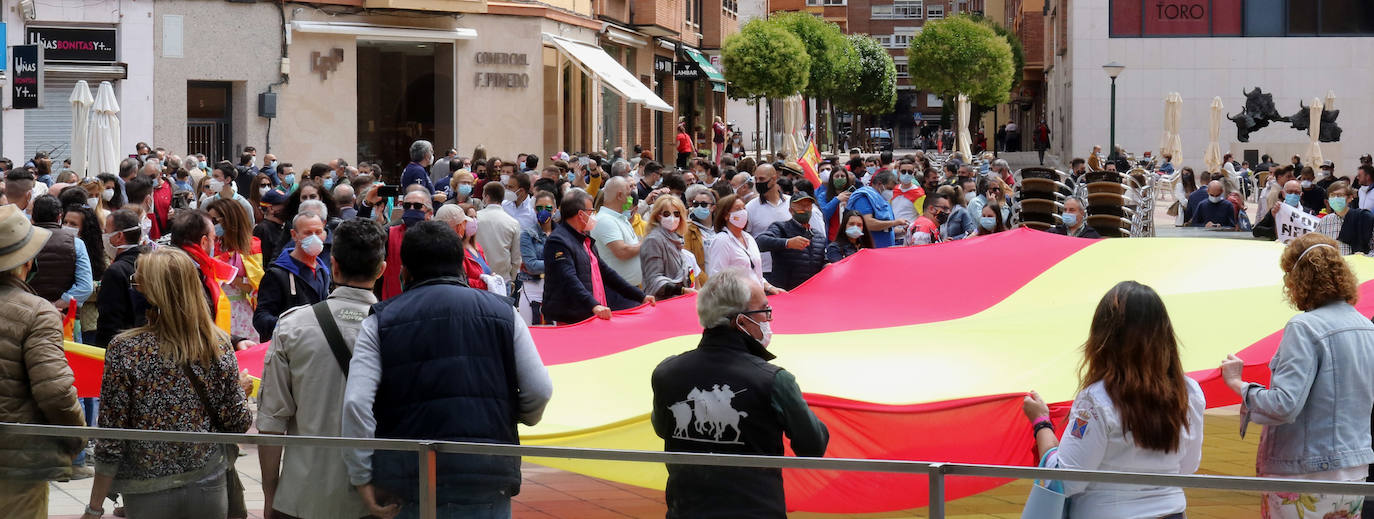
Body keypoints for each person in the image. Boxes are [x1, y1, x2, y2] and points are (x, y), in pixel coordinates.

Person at [341, 220, 553, 518]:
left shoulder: (380, 320)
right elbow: (540, 390)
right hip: (487, 473)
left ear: (405, 271)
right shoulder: (506, 313)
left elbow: (356, 404)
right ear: (462, 266)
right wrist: (511, 414)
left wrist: (362, 476)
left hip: (408, 478)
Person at [84, 247, 254, 519]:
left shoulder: (126, 349)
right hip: (209, 481)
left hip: (146, 488)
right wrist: (241, 391)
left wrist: (94, 506)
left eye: (136, 282)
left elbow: (112, 437)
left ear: (149, 292)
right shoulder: (217, 343)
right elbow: (237, 422)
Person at [650, 267, 829, 518]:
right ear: (742, 321)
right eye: (765, 311)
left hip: (686, 510)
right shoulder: (775, 380)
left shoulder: (666, 373)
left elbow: (661, 428)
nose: (768, 319)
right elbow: (813, 446)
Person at [1219, 233, 1374, 518]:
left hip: (1304, 470)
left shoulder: (1304, 327)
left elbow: (1283, 405)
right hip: (1354, 465)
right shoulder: (1366, 327)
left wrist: (1238, 384)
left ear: (1297, 278)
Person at [1021, 280, 1204, 519]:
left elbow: (1065, 480)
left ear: (1104, 338)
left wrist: (1041, 424)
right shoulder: (1189, 392)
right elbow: (1188, 466)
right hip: (1171, 513)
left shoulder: (1096, 400)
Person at [257, 219, 386, 519]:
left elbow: (272, 421)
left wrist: (270, 494)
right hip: (375, 497)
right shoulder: (396, 329)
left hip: (302, 495)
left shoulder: (292, 326)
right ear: (381, 270)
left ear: (334, 266)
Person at [0, 203, 88, 516]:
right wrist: (77, 437)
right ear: (25, 262)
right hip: (15, 462)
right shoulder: (37, 312)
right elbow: (55, 391)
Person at [543, 189, 653, 323]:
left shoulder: (585, 239)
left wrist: (640, 296)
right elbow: (568, 278)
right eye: (591, 211)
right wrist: (593, 305)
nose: (594, 216)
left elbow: (607, 273)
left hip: (590, 313)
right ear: (581, 215)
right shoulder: (558, 241)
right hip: (570, 317)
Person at [254, 212, 330, 340]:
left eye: (318, 232)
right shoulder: (277, 274)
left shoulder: (323, 270)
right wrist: (292, 326)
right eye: (308, 233)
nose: (314, 238)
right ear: (294, 235)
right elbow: (261, 318)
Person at [207, 198, 264, 342]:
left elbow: (257, 284)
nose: (211, 224)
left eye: (214, 220)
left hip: (242, 311)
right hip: (214, 310)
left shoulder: (251, 246)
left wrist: (230, 276)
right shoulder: (211, 244)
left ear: (229, 220)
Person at [29, 195, 94, 313]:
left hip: (24, 310)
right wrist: (56, 305)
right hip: (61, 316)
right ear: (59, 217)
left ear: (32, 217)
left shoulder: (21, 240)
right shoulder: (76, 243)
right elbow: (85, 287)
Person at [755, 191, 828, 291]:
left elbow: (823, 260)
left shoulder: (819, 236)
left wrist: (828, 266)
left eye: (808, 206)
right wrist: (787, 243)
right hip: (785, 292)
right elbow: (760, 242)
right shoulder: (781, 228)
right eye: (800, 206)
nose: (805, 209)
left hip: (812, 293)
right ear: (791, 210)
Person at [95, 210, 147, 348]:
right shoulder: (150, 262)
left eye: (106, 232)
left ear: (119, 236)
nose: (104, 236)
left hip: (123, 350)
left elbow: (109, 323)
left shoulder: (115, 272)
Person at [589, 176, 644, 287]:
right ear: (619, 196)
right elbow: (622, 252)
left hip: (629, 289)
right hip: (617, 292)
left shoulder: (621, 218)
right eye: (628, 194)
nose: (631, 198)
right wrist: (645, 244)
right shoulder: (605, 220)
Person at [640, 195, 698, 299]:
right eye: (666, 214)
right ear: (658, 216)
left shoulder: (676, 238)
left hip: (680, 301)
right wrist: (682, 290)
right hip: (662, 303)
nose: (672, 218)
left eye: (677, 214)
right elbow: (654, 279)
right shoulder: (653, 240)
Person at [472, 182, 522, 286]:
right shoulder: (513, 223)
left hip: (477, 278)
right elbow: (516, 257)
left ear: (486, 196)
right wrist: (511, 277)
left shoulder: (474, 219)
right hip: (502, 279)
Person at [519, 191, 557, 325]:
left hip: (556, 290)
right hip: (532, 289)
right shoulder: (527, 234)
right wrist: (559, 263)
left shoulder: (562, 234)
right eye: (540, 208)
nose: (544, 212)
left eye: (548, 208)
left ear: (555, 210)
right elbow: (531, 265)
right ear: (534, 210)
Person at [434, 204, 493, 291]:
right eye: (464, 223)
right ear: (458, 226)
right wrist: (486, 283)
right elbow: (459, 283)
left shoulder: (438, 246)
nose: (473, 221)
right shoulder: (450, 251)